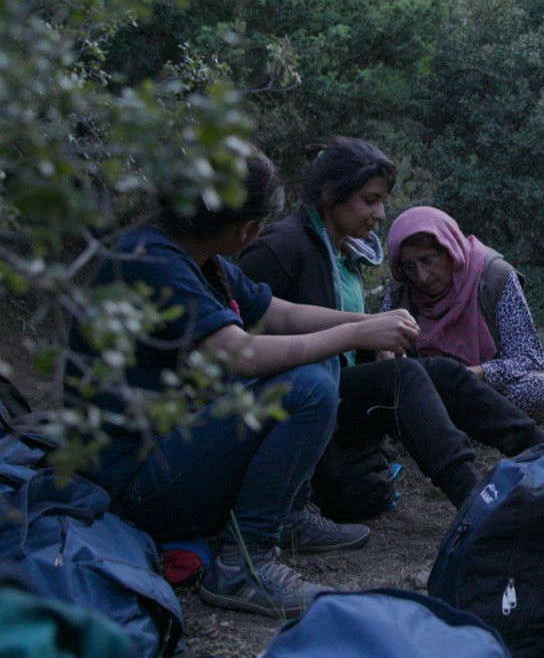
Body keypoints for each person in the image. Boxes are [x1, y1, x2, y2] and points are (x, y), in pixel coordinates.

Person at [71, 151, 420, 617]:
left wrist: (370, 320)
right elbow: (241, 353)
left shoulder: (199, 260)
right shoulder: (151, 262)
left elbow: (280, 313)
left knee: (321, 365)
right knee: (310, 387)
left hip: (165, 448)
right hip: (129, 483)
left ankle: (287, 519)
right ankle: (243, 564)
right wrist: (358, 333)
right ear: (245, 229)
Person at [238, 138, 544, 513]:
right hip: (302, 398)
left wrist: (375, 341)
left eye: (382, 201)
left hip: (337, 393)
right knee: (407, 377)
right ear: (329, 193)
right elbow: (244, 339)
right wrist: (368, 336)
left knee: (444, 374)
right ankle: (474, 501)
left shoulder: (344, 255)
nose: (381, 214)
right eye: (370, 200)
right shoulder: (283, 247)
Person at [383, 206, 544, 423]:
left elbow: (528, 359)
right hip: (429, 397)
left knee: (539, 389)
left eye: (428, 259)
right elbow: (387, 361)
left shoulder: (495, 276)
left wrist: (469, 375)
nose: (421, 276)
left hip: (489, 392)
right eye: (409, 266)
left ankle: (456, 429)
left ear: (449, 248)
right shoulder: (400, 291)